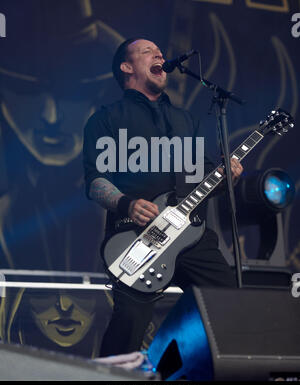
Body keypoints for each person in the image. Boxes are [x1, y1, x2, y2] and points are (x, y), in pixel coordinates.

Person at [83, 38, 243, 356]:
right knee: (129, 322)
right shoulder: (105, 119)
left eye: (159, 51)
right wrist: (126, 202)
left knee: (228, 307)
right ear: (126, 68)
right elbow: (95, 182)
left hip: (193, 235)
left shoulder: (186, 120)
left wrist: (228, 177)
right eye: (146, 51)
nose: (158, 54)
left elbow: (206, 178)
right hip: (138, 235)